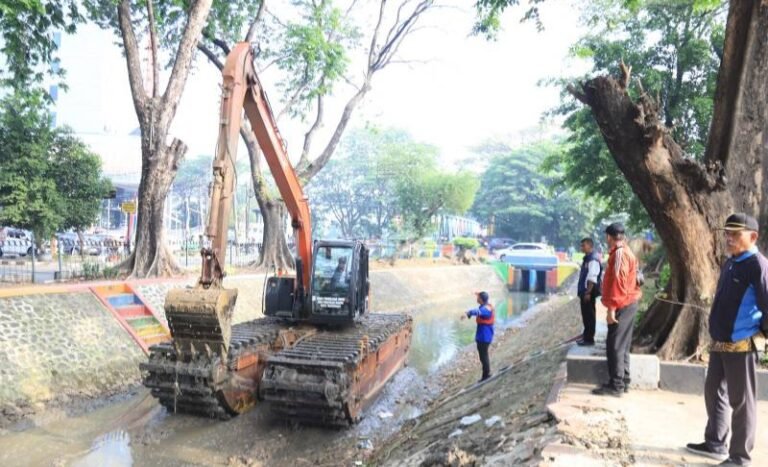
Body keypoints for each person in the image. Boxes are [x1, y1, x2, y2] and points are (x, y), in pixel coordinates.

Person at [686, 213, 768, 467]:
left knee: (742, 402)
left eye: (736, 234)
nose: (729, 238)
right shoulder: (732, 262)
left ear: (752, 237)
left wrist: (762, 335)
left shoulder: (758, 265)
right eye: (727, 233)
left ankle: (740, 457)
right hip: (720, 343)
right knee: (713, 392)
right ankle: (715, 442)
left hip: (742, 344)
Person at [592, 222, 642, 397]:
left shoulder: (620, 253)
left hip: (622, 304)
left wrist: (611, 309)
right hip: (628, 302)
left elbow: (619, 283)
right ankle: (623, 381)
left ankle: (617, 385)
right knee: (622, 345)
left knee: (614, 345)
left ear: (609, 237)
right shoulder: (625, 252)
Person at [461, 291, 495, 382]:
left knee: (483, 356)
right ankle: (486, 374)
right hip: (484, 336)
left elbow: (478, 311)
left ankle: (486, 375)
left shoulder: (486, 309)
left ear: (481, 299)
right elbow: (478, 310)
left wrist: (468, 313)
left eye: (478, 297)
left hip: (484, 337)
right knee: (483, 355)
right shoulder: (487, 306)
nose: (476, 298)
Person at [577, 238, 602, 346]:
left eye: (583, 245)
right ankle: (586, 336)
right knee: (586, 315)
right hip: (585, 291)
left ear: (590, 246)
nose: (582, 248)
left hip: (589, 292)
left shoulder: (593, 259)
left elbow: (592, 277)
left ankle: (589, 339)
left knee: (589, 315)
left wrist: (588, 292)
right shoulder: (588, 258)